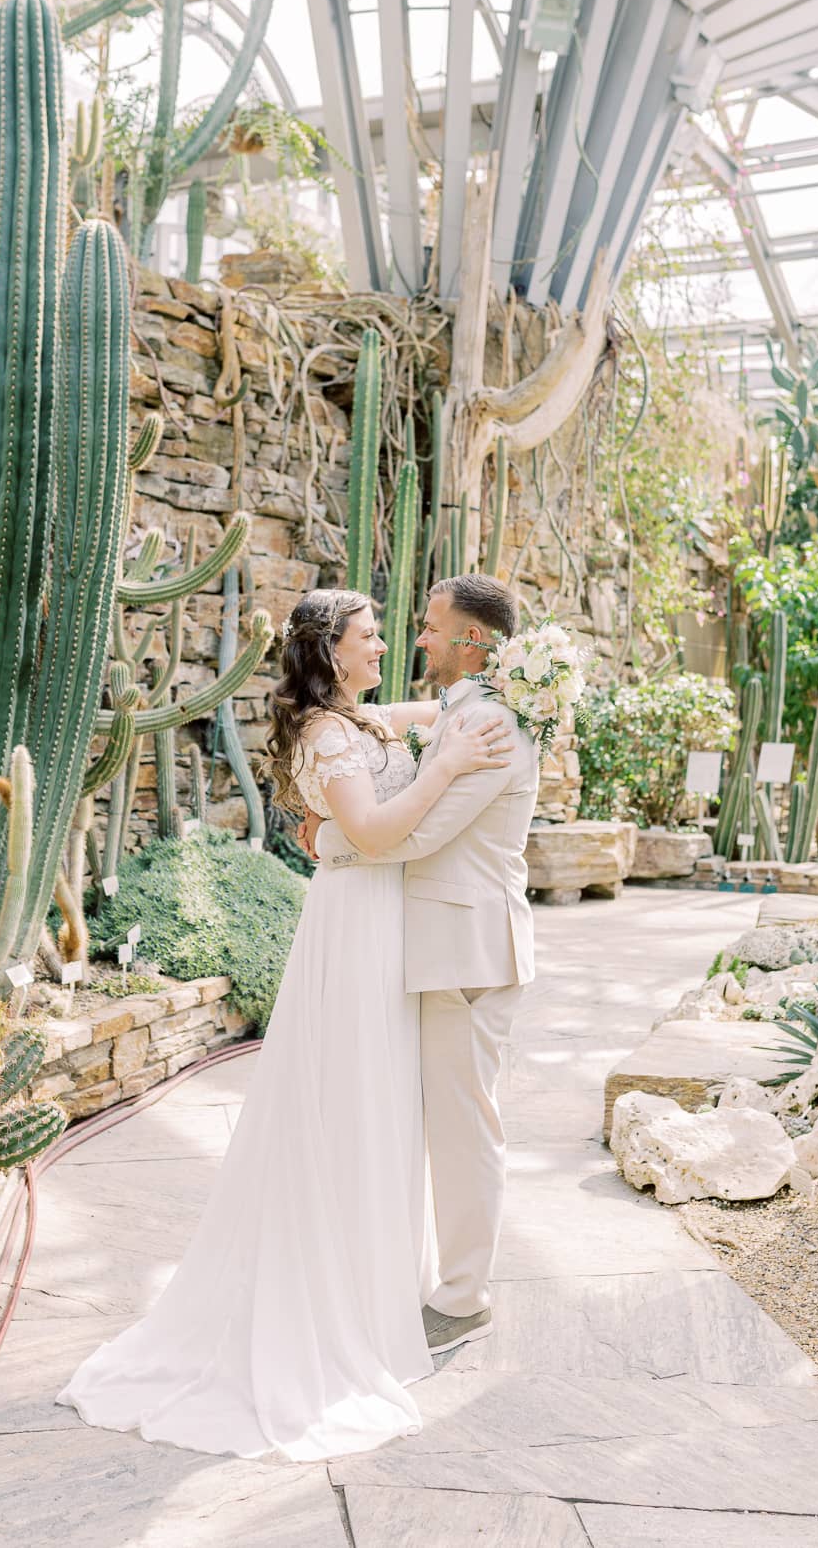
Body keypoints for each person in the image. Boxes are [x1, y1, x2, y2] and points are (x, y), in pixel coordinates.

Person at [55, 587, 512, 1462]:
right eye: (371, 636)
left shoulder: (355, 719)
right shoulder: (324, 734)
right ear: (334, 651)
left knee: (379, 1111)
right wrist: (446, 766)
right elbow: (373, 832)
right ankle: (328, 1307)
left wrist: (497, 689)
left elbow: (432, 707)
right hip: (354, 931)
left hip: (382, 927)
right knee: (346, 1109)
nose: (385, 647)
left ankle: (371, 1294)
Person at [301, 574, 539, 1354]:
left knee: (466, 1130)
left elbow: (426, 832)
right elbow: (400, 724)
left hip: (470, 949)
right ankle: (437, 1276)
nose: (420, 638)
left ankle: (465, 1296)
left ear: (472, 640)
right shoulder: (466, 708)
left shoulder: (494, 724)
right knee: (439, 1123)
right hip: (440, 948)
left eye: (433, 627)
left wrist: (331, 840)